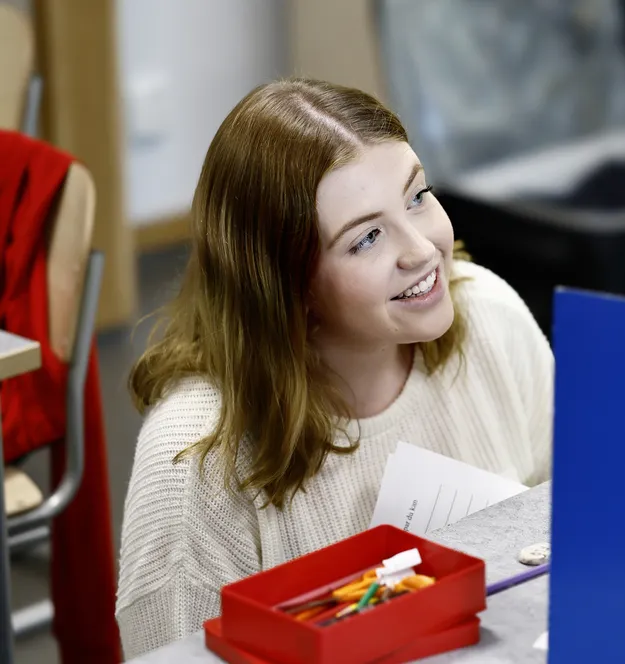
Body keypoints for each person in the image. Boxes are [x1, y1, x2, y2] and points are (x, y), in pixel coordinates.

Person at [115, 79, 553, 657]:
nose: (421, 250)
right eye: (366, 237)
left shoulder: (489, 313)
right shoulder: (195, 458)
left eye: (417, 196)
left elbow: (567, 532)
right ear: (285, 285)